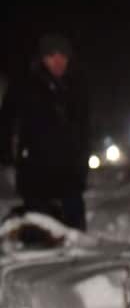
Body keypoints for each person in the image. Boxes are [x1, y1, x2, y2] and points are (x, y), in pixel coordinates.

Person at [0, 33, 90, 231]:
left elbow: (85, 127)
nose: (58, 61)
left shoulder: (75, 86)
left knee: (75, 229)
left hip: (69, 170)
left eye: (63, 56)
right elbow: (7, 122)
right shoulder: (25, 85)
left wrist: (83, 160)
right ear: (42, 57)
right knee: (40, 227)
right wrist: (7, 159)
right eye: (52, 55)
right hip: (35, 168)